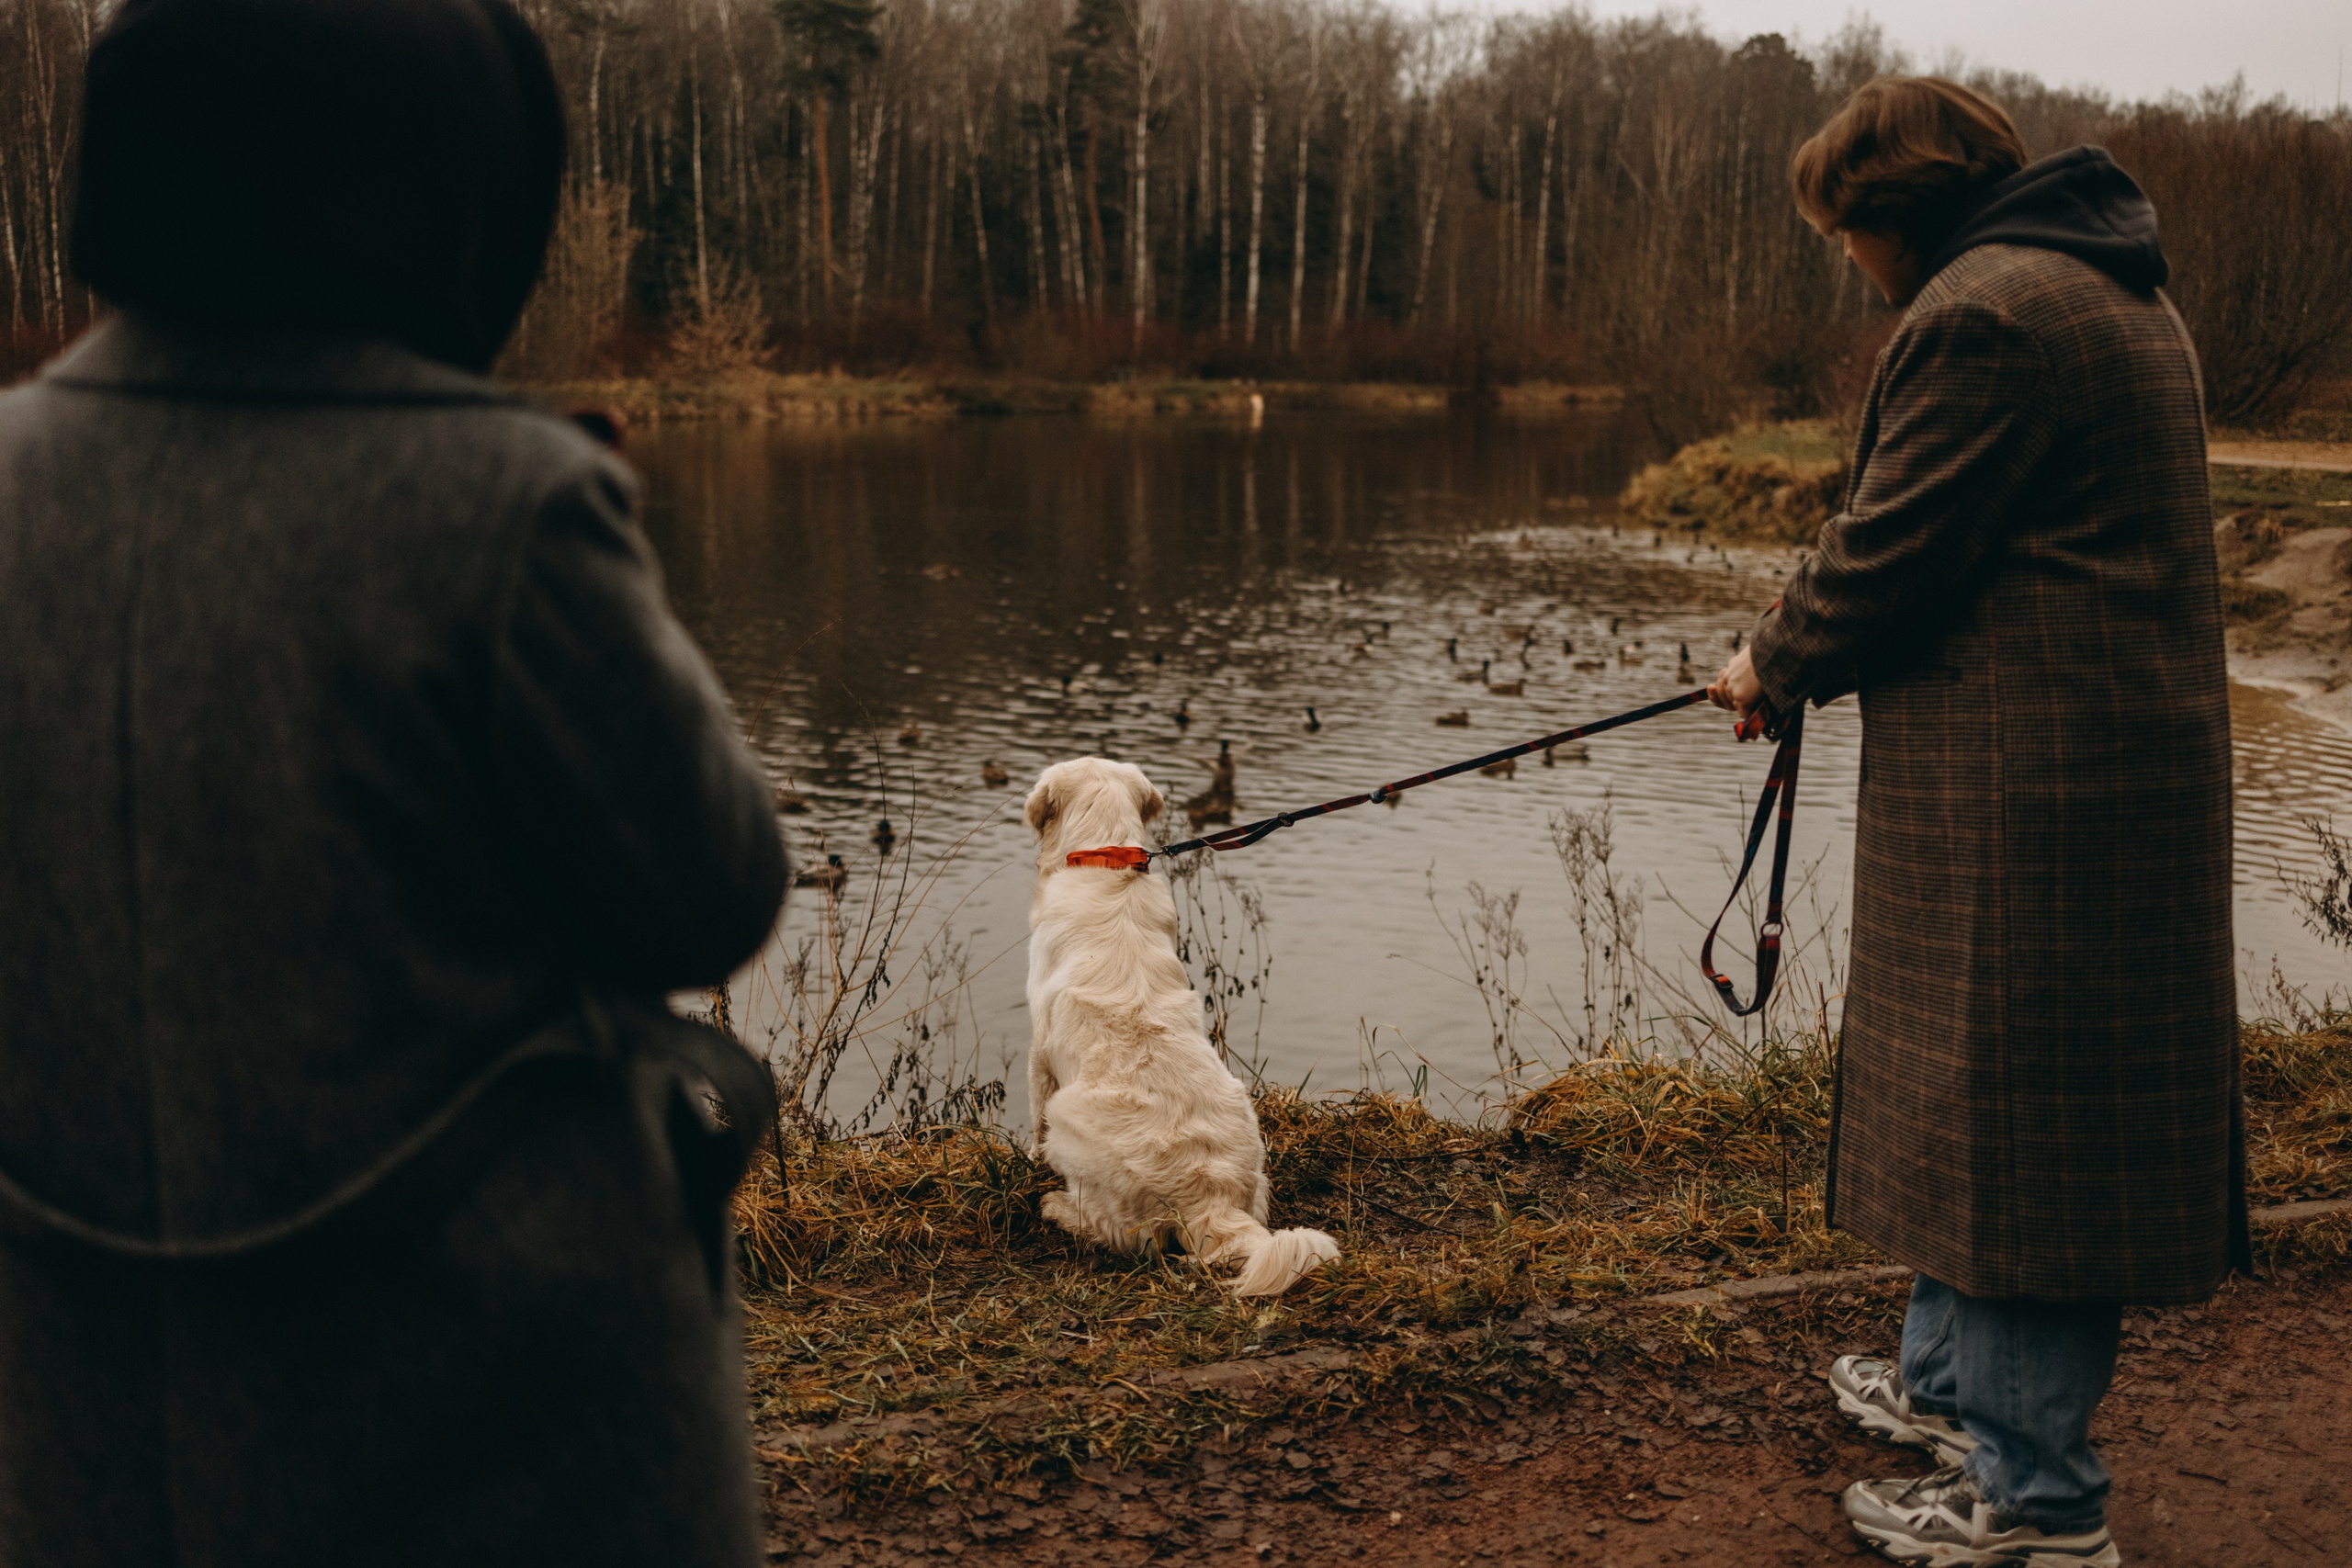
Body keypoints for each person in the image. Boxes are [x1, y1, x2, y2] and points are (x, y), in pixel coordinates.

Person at [0, 2, 788, 1564]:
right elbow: (708, 888)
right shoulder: (503, 504)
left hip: (79, 1407)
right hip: (494, 1419)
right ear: (457, 200)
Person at [1709, 78, 2242, 1568]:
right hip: (2063, 778)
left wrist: (1772, 659)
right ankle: (1954, 1391)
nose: (1850, 262)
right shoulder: (2102, 284)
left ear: (1901, 215)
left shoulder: (1987, 314)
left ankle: (2038, 1507)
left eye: (1847, 234)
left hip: (2042, 797)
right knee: (1977, 1098)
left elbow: (1891, 548)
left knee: (2023, 1131)